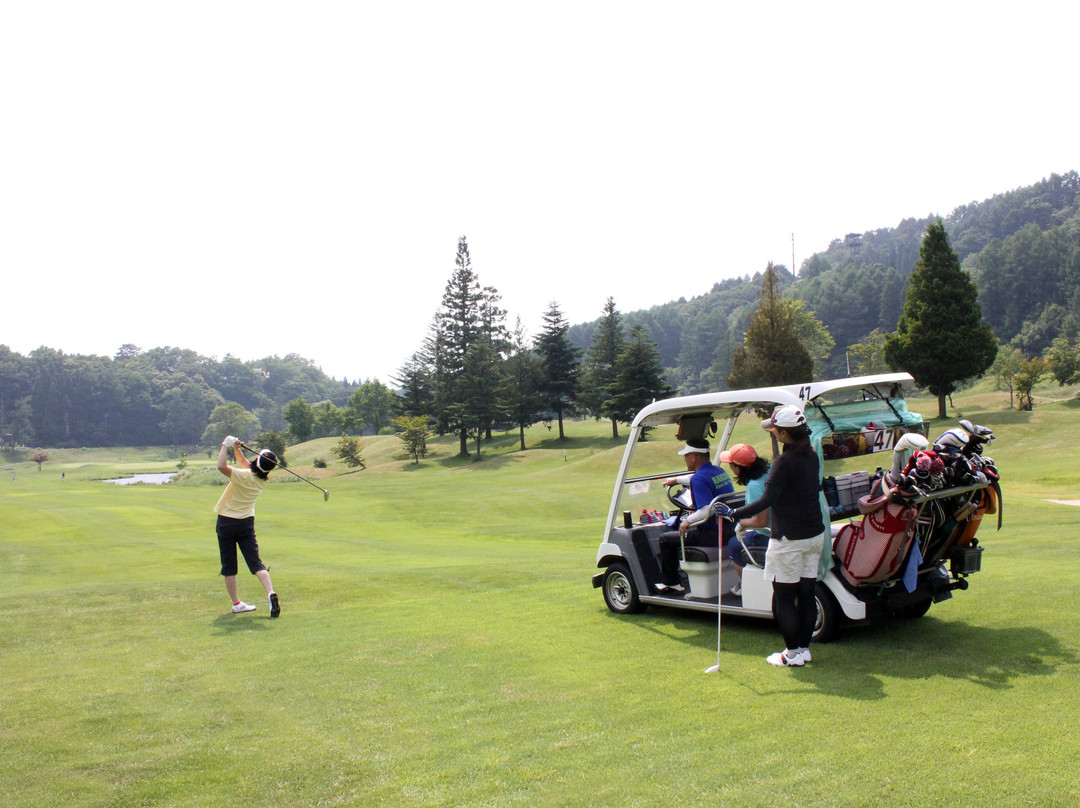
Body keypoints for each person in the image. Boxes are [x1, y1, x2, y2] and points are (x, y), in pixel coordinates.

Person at [715, 406, 824, 667]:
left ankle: (792, 653)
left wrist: (733, 513)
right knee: (807, 593)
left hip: (789, 539)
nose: (773, 433)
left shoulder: (784, 462)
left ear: (785, 433)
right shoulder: (810, 455)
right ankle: (803, 650)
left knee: (784, 596)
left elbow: (768, 499)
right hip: (814, 534)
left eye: (775, 430)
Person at [214, 435, 281, 617]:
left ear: (257, 460)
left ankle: (237, 604)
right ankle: (270, 593)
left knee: (229, 565)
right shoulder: (262, 478)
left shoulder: (243, 475)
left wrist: (225, 445)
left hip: (227, 521)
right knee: (255, 562)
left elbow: (221, 466)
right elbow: (243, 461)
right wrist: (237, 448)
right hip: (246, 523)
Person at [656, 438, 734, 593]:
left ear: (693, 457)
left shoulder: (699, 479)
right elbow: (696, 478)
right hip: (728, 529)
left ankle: (671, 583)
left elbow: (706, 510)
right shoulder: (718, 471)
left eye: (686, 456)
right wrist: (676, 480)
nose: (685, 459)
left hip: (711, 534)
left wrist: (688, 521)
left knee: (665, 539)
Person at [718, 443, 771, 597]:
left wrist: (741, 523)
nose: (730, 468)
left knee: (734, 544)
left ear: (738, 467)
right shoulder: (769, 471)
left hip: (769, 535)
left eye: (731, 465)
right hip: (782, 529)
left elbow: (762, 521)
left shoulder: (755, 486)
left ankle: (744, 586)